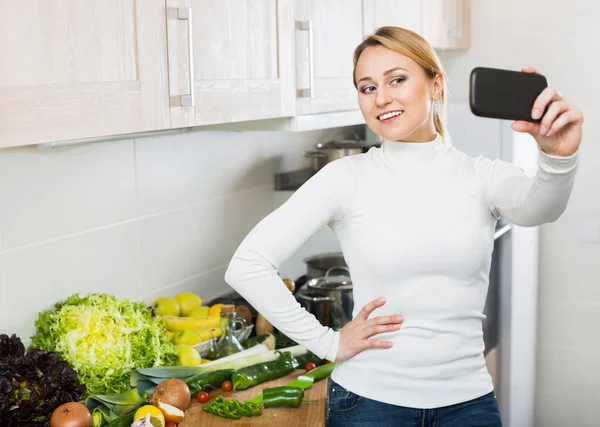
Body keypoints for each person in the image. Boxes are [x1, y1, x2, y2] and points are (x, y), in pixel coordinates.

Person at [224, 26, 583, 427]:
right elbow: (247, 264)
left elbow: (539, 208)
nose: (381, 98)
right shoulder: (346, 177)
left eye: (397, 79)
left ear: (436, 85)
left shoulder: (480, 175)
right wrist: (327, 342)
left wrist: (557, 158)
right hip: (368, 404)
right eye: (366, 87)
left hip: (467, 402)